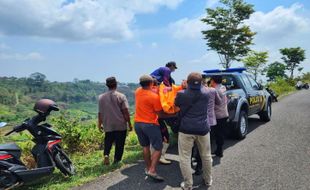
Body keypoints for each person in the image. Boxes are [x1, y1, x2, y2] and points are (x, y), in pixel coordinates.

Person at [175, 72, 213, 190]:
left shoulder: (181, 94)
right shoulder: (207, 92)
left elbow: (176, 107)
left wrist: (184, 86)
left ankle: (188, 185)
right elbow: (202, 88)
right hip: (203, 129)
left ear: (187, 82)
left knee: (185, 157)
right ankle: (208, 180)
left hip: (186, 129)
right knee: (206, 156)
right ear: (201, 82)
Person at [134, 75, 165, 182]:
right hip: (150, 124)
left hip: (138, 123)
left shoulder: (137, 91)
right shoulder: (153, 97)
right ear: (152, 84)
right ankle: (152, 170)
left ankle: (148, 168)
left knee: (145, 146)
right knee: (158, 147)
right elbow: (159, 114)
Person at [98, 77, 132, 165]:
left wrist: (99, 124)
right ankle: (116, 160)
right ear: (116, 84)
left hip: (108, 123)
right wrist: (129, 124)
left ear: (107, 85)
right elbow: (125, 111)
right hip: (120, 124)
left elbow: (100, 113)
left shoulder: (101, 97)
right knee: (120, 143)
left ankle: (106, 154)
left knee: (108, 140)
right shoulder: (121, 96)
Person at [192, 78, 223, 175]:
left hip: (196, 122)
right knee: (205, 146)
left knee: (195, 143)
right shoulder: (212, 90)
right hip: (210, 121)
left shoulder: (193, 92)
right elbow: (219, 102)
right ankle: (200, 167)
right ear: (205, 83)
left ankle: (193, 162)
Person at [210, 75, 229, 157]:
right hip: (224, 113)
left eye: (210, 80)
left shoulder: (215, 90)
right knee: (220, 133)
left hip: (218, 116)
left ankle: (219, 151)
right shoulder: (223, 87)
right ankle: (219, 150)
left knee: (217, 134)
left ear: (213, 81)